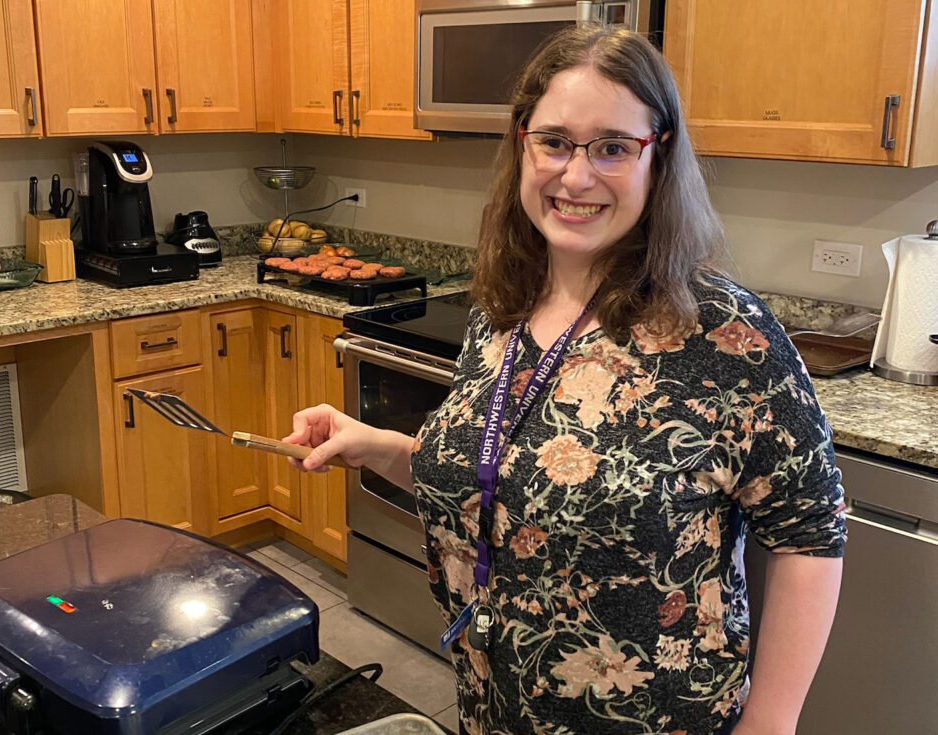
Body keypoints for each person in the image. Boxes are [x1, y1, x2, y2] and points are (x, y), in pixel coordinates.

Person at [284, 25, 845, 735]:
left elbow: (810, 535)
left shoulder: (726, 334)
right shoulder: (503, 304)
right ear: (522, 144)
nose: (576, 177)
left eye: (612, 146)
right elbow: (504, 480)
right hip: (495, 708)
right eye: (554, 141)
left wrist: (770, 724)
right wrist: (379, 445)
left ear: (659, 155)